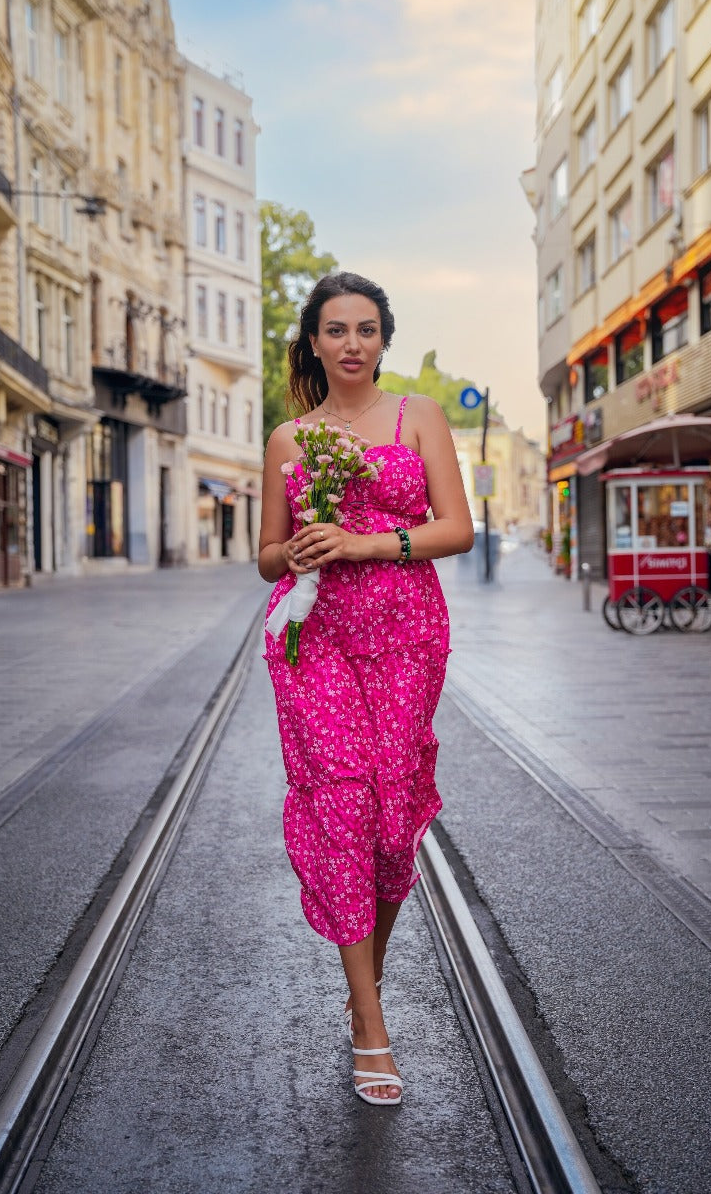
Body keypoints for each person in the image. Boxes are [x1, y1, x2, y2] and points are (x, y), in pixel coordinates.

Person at [259, 271, 474, 1105]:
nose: (352, 343)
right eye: (335, 329)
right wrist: (304, 553)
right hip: (314, 639)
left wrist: (364, 544)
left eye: (366, 329)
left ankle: (363, 990)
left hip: (406, 635)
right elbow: (266, 557)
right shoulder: (287, 437)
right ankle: (372, 1022)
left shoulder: (418, 416)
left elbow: (456, 528)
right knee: (341, 806)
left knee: (390, 823)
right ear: (312, 341)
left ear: (383, 339)